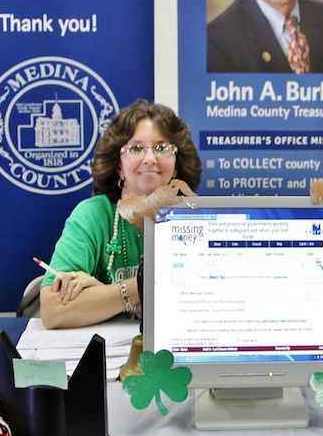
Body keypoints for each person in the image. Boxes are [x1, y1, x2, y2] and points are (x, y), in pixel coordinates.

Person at [39, 100, 202, 329]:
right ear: (118, 165)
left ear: (176, 165)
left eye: (162, 148)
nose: (150, 158)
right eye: (136, 148)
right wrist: (142, 286)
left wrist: (103, 294)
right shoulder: (92, 216)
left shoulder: (197, 218)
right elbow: (53, 311)